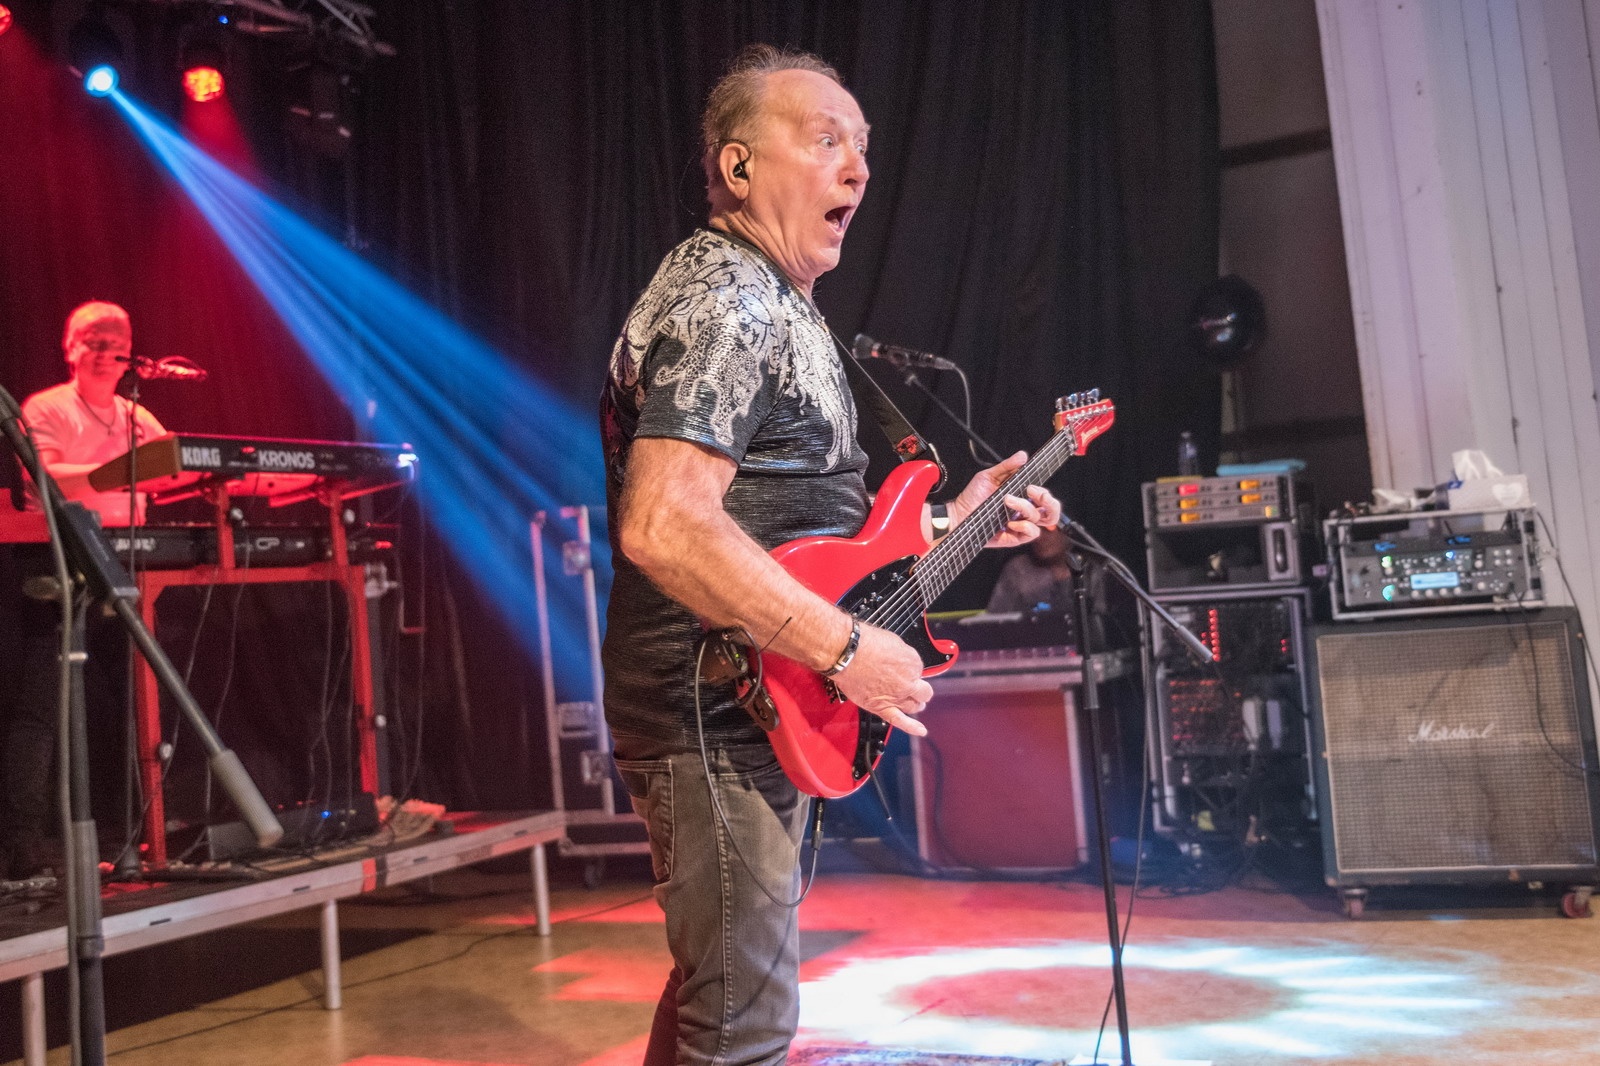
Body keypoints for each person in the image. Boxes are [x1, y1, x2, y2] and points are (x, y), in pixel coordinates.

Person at [598, 45, 1063, 1064]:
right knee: (746, 1021)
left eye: (862, 147)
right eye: (824, 142)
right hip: (713, 703)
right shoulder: (728, 301)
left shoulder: (781, 302)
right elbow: (664, 524)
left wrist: (955, 524)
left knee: (722, 993)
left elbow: (805, 536)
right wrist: (846, 651)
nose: (857, 168)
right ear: (737, 167)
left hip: (763, 691)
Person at [0, 301, 166, 880]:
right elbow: (40, 476)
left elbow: (176, 466)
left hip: (137, 561)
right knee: (46, 707)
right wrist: (122, 471)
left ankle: (133, 834)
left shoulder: (138, 416)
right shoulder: (46, 406)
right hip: (62, 560)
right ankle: (25, 845)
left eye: (116, 344)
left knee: (129, 706)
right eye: (93, 341)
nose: (105, 352)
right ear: (70, 348)